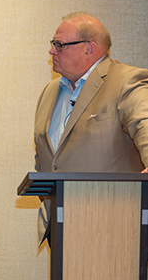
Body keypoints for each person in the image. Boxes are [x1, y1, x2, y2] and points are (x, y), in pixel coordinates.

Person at [34, 12, 148, 174]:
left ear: (89, 49)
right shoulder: (48, 92)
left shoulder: (127, 81)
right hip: (57, 199)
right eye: (53, 44)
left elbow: (144, 124)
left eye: (59, 45)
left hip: (112, 198)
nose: (52, 51)